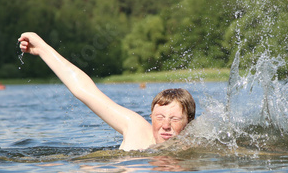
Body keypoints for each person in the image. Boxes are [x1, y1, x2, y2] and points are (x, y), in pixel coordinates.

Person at [18, 32, 195, 151]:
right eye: (160, 117)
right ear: (151, 117)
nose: (165, 125)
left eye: (174, 119)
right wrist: (42, 48)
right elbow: (84, 90)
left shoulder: (197, 147)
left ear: (189, 122)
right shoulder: (134, 128)